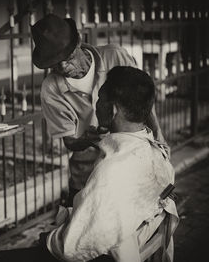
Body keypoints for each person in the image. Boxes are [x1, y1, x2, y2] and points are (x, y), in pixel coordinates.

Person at [0, 66, 178, 262]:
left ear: (112, 111)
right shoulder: (156, 150)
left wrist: (48, 240)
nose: (96, 104)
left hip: (104, 254)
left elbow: (72, 248)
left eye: (100, 99)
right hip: (133, 235)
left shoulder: (112, 171)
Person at [31, 14, 165, 204]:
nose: (62, 65)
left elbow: (143, 99)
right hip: (88, 177)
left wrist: (159, 136)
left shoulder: (115, 56)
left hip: (134, 163)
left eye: (67, 57)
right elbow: (69, 141)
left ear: (77, 41)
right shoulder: (51, 89)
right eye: (54, 62)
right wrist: (86, 139)